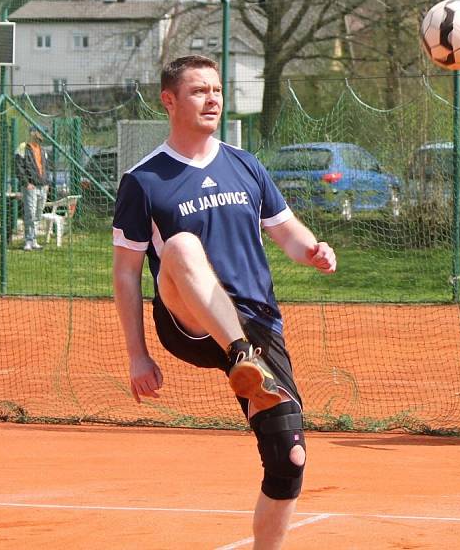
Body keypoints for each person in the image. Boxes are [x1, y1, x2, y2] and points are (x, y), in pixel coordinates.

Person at [112, 55, 336, 550]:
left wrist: (314, 249)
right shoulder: (144, 180)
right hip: (187, 317)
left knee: (288, 459)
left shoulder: (245, 164)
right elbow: (127, 274)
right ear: (169, 101)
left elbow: (287, 232)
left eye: (216, 90)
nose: (212, 98)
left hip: (257, 323)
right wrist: (137, 353)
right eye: (198, 91)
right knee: (182, 245)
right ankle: (240, 356)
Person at [15, 125, 49, 250]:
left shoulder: (43, 150)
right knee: (30, 214)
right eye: (40, 132)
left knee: (38, 215)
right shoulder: (23, 147)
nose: (42, 135)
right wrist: (26, 183)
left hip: (42, 186)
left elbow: (46, 168)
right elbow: (18, 167)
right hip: (31, 186)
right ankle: (28, 241)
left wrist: (47, 183)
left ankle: (34, 240)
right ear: (33, 133)